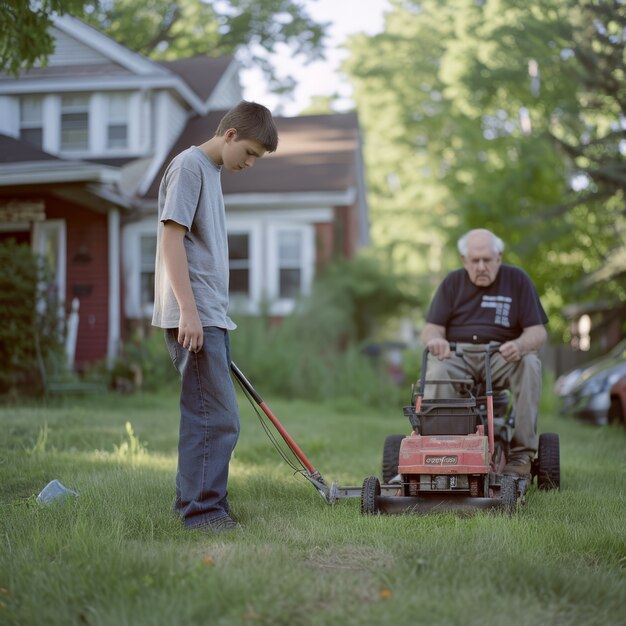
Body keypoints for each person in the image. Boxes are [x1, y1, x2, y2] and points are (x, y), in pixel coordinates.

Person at [152, 101, 279, 533]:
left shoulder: (210, 172)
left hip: (208, 313)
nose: (249, 163)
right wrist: (189, 311)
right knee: (218, 416)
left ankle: (191, 504)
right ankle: (204, 514)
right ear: (229, 135)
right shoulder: (189, 167)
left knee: (202, 412)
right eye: (250, 153)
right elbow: (172, 241)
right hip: (195, 313)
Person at [421, 228, 548, 477]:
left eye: (487, 260)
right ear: (464, 261)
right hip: (458, 355)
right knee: (437, 368)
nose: (481, 266)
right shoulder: (452, 283)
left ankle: (522, 453)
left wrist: (520, 345)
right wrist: (436, 341)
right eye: (475, 261)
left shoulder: (517, 280)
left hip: (502, 355)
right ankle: (441, 450)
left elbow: (538, 332)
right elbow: (430, 330)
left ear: (498, 257)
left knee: (530, 362)